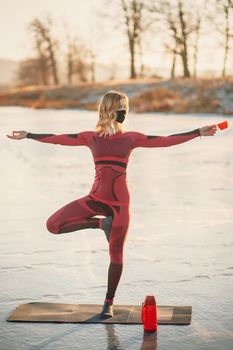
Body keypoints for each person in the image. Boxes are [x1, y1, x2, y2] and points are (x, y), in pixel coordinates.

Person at [7, 90, 217, 319]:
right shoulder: (91, 137)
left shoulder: (131, 138)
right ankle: (100, 225)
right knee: (53, 225)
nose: (125, 113)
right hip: (95, 200)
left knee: (116, 256)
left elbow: (166, 141)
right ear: (110, 110)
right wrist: (28, 135)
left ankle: (109, 302)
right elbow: (59, 138)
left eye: (126, 109)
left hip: (119, 206)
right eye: (122, 109)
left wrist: (198, 132)